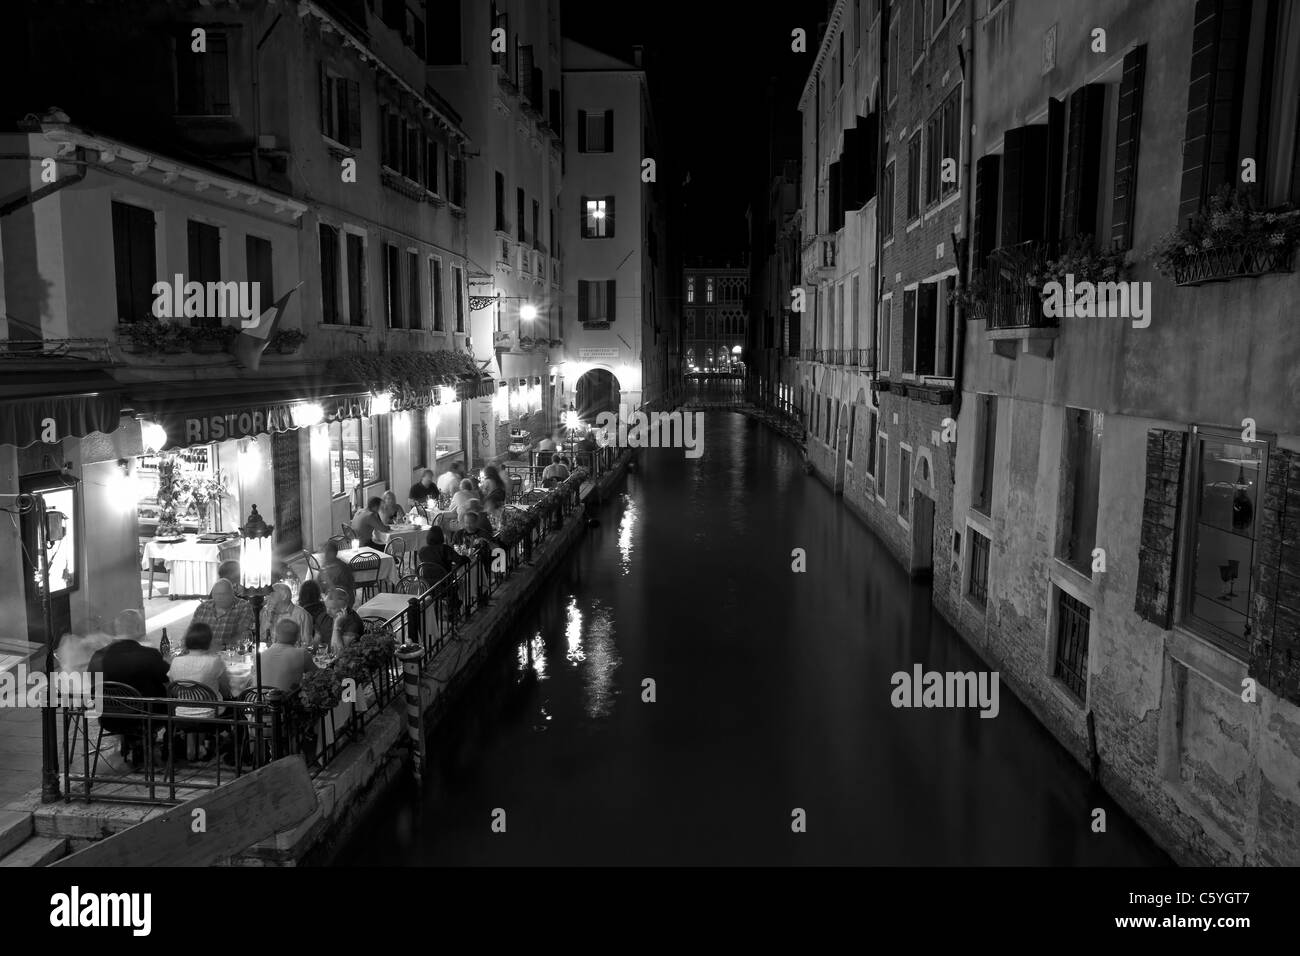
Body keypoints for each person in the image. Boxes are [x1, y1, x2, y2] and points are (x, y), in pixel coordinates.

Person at [87, 633, 170, 768]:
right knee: (167, 697)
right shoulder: (150, 654)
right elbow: (168, 677)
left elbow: (91, 681)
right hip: (145, 718)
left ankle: (132, 742)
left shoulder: (99, 656)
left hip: (109, 718)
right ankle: (167, 747)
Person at [167, 622, 231, 720]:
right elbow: (226, 690)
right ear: (209, 641)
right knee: (235, 704)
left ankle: (191, 735)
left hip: (181, 712)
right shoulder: (215, 661)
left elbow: (174, 689)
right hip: (211, 712)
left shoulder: (175, 661)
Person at [189, 579, 255, 651]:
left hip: (228, 652)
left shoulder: (243, 606)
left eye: (224, 594)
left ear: (232, 593)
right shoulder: (203, 607)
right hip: (201, 652)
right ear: (213, 595)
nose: (220, 597)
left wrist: (222, 647)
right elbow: (191, 633)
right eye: (217, 594)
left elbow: (243, 636)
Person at [258, 620, 318, 693]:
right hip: (286, 702)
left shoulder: (259, 656)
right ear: (297, 637)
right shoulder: (301, 654)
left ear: (276, 635)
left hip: (259, 701)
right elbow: (318, 674)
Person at [261, 582, 315, 647]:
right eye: (267, 596)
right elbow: (261, 640)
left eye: (272, 595)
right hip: (272, 654)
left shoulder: (302, 615)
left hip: (293, 655)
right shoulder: (267, 612)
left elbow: (307, 644)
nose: (267, 598)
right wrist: (267, 623)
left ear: (284, 596)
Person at [324, 587, 365, 654]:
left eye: (333, 608)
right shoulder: (332, 615)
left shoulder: (353, 623)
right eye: (327, 607)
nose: (328, 612)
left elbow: (339, 652)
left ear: (344, 608)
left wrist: (336, 626)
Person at [296, 580, 331, 648]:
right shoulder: (325, 607)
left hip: (304, 644)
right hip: (323, 644)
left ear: (301, 593)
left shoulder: (300, 611)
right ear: (318, 593)